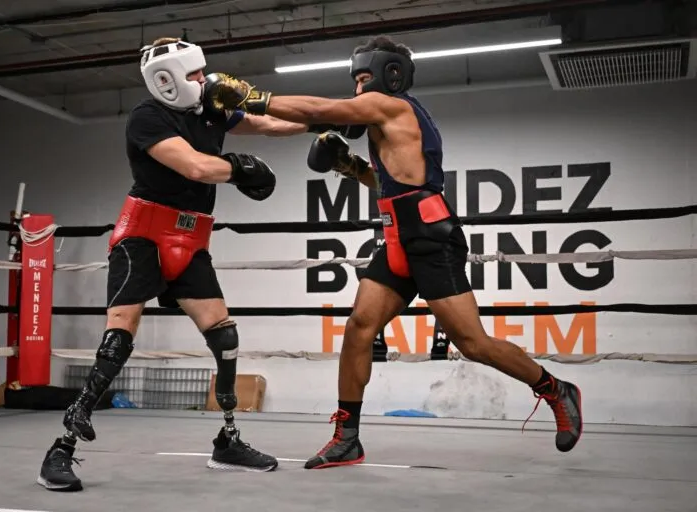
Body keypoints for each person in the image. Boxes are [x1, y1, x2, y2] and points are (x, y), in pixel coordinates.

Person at [201, 34, 583, 469]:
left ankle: (557, 390)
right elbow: (389, 183)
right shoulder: (384, 121)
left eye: (366, 78)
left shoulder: (393, 106)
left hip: (431, 240)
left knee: (473, 344)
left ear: (391, 75)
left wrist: (253, 98)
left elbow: (320, 112)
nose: (359, 88)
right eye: (357, 79)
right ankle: (347, 438)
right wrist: (350, 167)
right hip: (397, 237)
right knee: (359, 327)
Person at [36, 37, 352, 491]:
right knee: (120, 334)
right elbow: (195, 168)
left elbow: (265, 123)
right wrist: (241, 169)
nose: (203, 81)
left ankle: (227, 440)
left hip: (191, 237)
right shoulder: (148, 117)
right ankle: (61, 447)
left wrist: (321, 121)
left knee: (224, 334)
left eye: (202, 72)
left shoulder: (210, 106)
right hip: (142, 235)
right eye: (193, 75)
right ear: (165, 81)